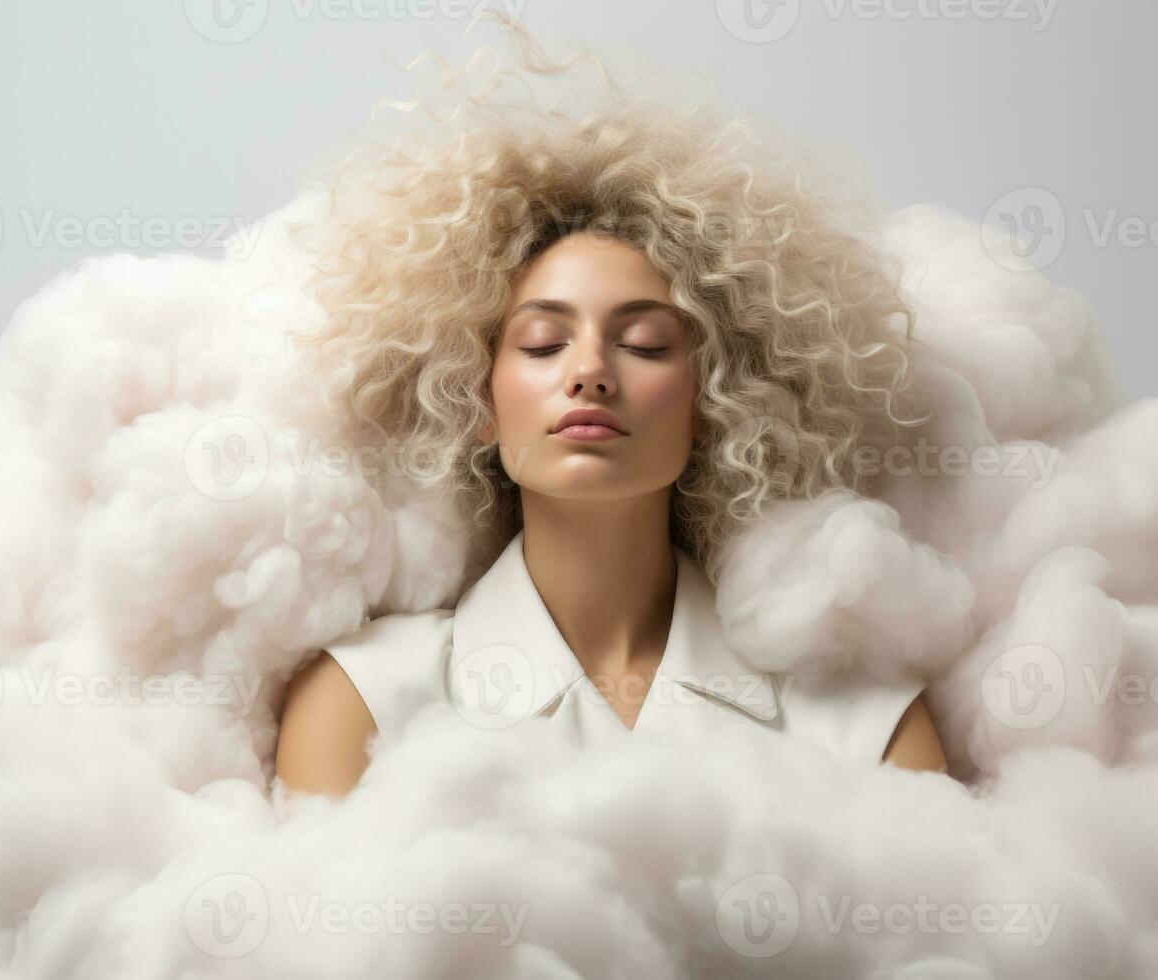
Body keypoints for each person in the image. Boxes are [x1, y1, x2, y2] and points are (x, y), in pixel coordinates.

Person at [275, 17, 948, 798]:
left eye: (647, 343)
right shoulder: (363, 704)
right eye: (541, 344)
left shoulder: (864, 726)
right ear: (477, 401)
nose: (591, 372)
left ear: (715, 402)